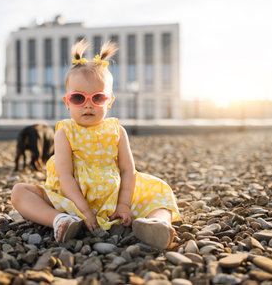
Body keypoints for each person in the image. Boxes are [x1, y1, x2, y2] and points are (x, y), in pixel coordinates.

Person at [11, 39, 179, 249]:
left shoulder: (117, 130)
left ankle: (157, 222)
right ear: (67, 102)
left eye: (98, 97)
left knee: (161, 190)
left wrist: (124, 205)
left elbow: (128, 170)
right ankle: (60, 220)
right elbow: (65, 175)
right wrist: (85, 211)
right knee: (20, 192)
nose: (88, 104)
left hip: (113, 200)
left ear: (110, 101)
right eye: (78, 98)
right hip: (72, 202)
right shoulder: (65, 132)